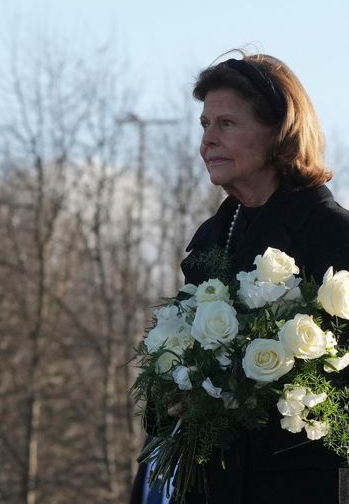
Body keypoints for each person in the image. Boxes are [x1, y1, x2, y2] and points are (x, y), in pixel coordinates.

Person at [131, 53, 349, 504]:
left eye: (226, 124)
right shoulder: (211, 241)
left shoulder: (332, 235)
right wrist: (173, 390)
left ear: (279, 133)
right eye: (204, 125)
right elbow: (161, 394)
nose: (207, 141)